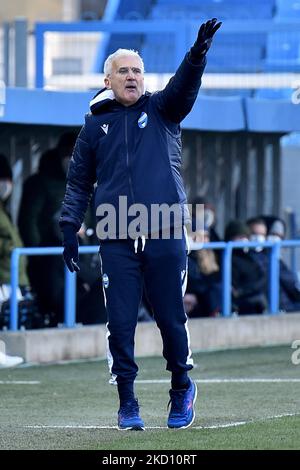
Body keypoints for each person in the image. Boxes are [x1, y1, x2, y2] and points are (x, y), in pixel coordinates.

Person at [60, 19, 222, 430]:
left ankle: (181, 388)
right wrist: (69, 228)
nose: (131, 77)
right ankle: (127, 401)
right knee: (120, 323)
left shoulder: (163, 109)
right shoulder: (95, 125)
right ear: (108, 79)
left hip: (166, 229)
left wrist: (196, 55)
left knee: (171, 317)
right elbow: (79, 181)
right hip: (116, 236)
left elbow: (184, 89)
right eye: (123, 71)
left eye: (137, 71)